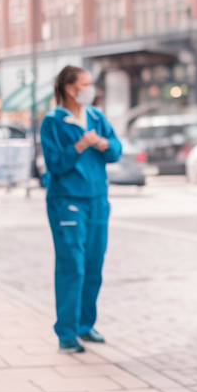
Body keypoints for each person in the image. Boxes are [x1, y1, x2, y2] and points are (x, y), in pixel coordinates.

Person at [40, 66, 122, 354]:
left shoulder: (96, 117)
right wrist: (80, 145)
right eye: (85, 84)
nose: (90, 89)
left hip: (98, 199)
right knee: (71, 266)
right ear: (71, 88)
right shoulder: (53, 121)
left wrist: (101, 142)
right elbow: (56, 166)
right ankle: (66, 332)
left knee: (93, 266)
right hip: (67, 201)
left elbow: (115, 151)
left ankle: (85, 326)